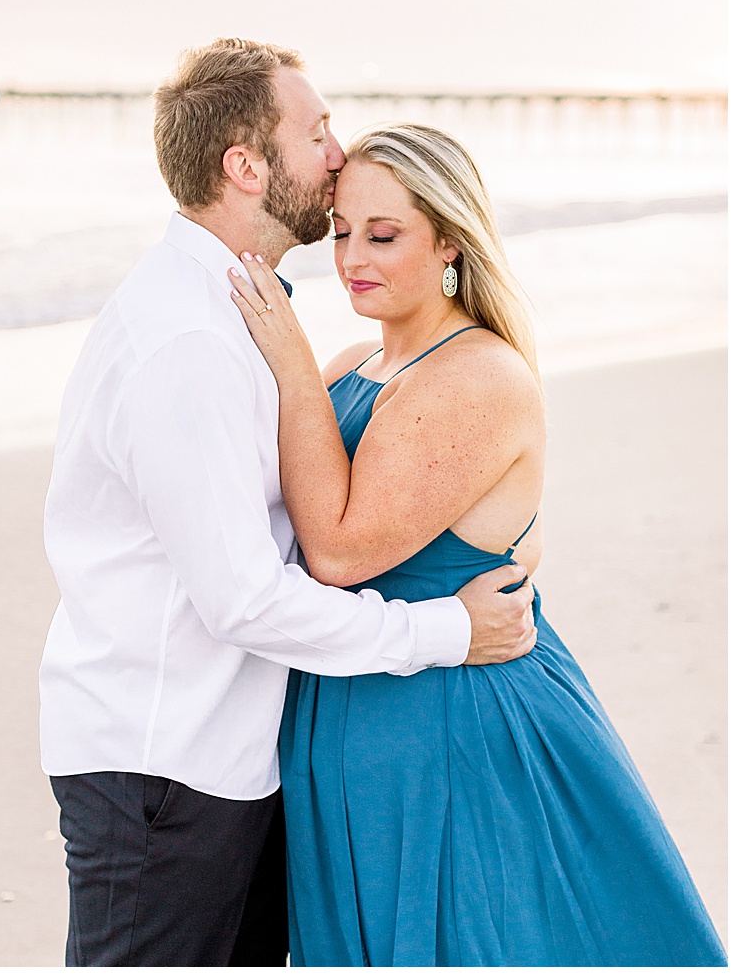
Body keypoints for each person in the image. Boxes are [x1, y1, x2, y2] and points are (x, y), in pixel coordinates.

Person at [37, 39, 537, 967]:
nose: (339, 154)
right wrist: (445, 632)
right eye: (316, 133)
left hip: (235, 754)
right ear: (247, 166)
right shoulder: (188, 338)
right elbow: (246, 599)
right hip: (163, 763)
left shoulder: (237, 311)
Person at [226, 121, 724, 965]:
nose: (352, 258)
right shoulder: (356, 364)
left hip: (451, 727)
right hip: (356, 709)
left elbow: (339, 554)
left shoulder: (477, 377)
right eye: (343, 231)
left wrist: (288, 361)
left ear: (450, 243)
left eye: (385, 236)